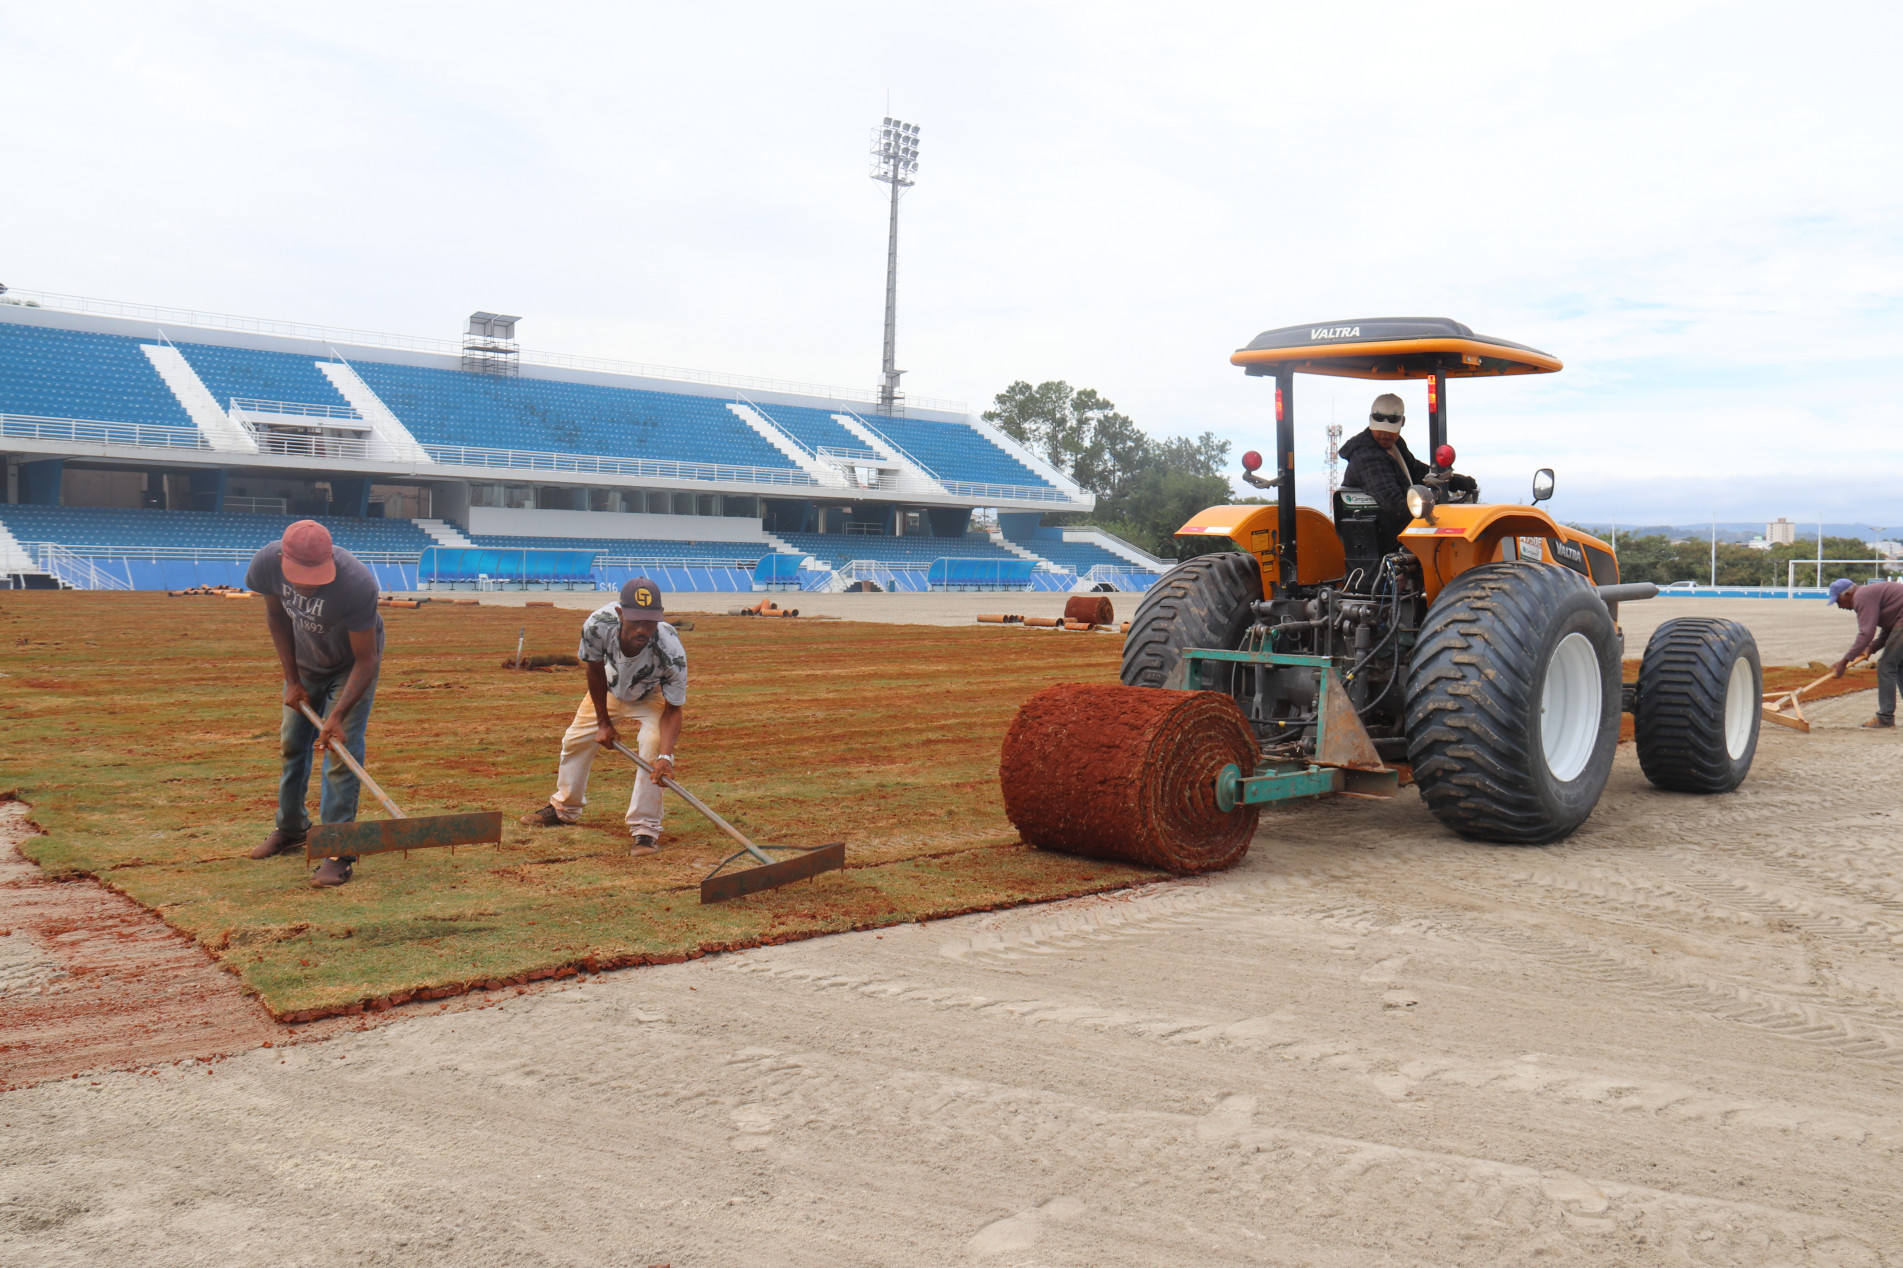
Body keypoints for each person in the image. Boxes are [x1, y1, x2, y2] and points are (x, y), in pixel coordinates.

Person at [246, 519, 384, 887]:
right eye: (299, 574)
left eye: (315, 574)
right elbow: (276, 615)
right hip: (305, 664)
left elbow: (366, 660)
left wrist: (337, 715)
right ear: (282, 558)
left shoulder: (356, 583)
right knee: (292, 745)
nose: (306, 582)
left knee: (340, 754)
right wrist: (292, 680)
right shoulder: (265, 564)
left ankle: (338, 851)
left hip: (350, 666)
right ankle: (291, 828)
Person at [520, 577, 687, 855]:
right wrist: (602, 722)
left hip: (651, 696)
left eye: (650, 622)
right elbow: (594, 669)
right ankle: (564, 808)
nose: (642, 630)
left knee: (652, 747)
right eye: (635, 621)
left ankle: (645, 830)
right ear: (621, 614)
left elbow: (674, 708)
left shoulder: (671, 651)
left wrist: (666, 757)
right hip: (608, 687)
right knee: (576, 740)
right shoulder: (598, 625)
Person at [1339, 393, 1430, 522]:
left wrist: (1451, 480)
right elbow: (1394, 503)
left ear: (1402, 422)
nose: (1384, 434)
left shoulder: (1396, 445)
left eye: (1390, 430)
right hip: (1386, 534)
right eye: (1380, 429)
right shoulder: (1367, 458)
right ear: (1370, 421)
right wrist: (1431, 508)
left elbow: (1416, 470)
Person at [1827, 577, 1903, 729]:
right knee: (1898, 664)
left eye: (1838, 601)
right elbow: (1889, 629)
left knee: (1885, 665)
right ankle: (1886, 717)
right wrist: (1871, 648)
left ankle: (1885, 718)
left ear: (1848, 595)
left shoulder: (1862, 596)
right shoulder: (1869, 593)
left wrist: (1845, 661)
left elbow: (1866, 633)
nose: (1840, 607)